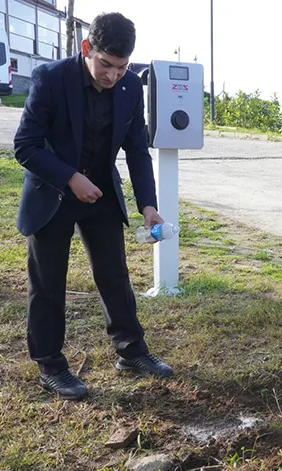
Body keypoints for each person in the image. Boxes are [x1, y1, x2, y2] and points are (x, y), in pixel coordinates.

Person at [14, 12, 174, 401]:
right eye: (105, 64)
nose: (112, 76)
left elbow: (137, 149)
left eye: (121, 68)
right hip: (53, 193)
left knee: (114, 275)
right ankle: (51, 364)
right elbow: (25, 145)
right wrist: (70, 177)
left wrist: (148, 205)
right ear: (87, 48)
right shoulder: (51, 79)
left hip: (101, 191)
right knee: (49, 282)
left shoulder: (131, 87)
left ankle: (130, 352)